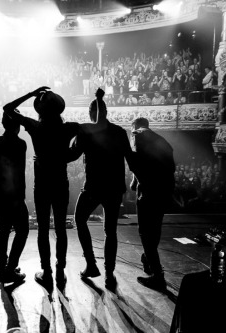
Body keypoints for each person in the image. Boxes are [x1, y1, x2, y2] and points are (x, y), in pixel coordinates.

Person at [3, 86, 79, 288]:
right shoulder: (69, 128)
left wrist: (30, 93)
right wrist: (70, 154)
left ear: (40, 110)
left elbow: (8, 108)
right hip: (61, 183)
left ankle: (46, 271)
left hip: (42, 185)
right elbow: (87, 135)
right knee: (61, 229)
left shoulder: (35, 127)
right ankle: (60, 270)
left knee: (43, 229)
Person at [67, 88, 137, 289]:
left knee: (79, 219)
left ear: (91, 113)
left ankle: (91, 264)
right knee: (110, 231)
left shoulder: (86, 131)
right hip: (114, 188)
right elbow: (131, 160)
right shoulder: (119, 132)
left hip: (94, 187)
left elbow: (71, 155)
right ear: (106, 112)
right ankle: (109, 274)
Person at [130, 117, 175, 291]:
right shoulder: (162, 140)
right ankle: (149, 259)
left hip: (149, 192)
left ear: (135, 126)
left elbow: (137, 163)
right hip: (164, 191)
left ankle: (158, 276)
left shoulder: (137, 135)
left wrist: (136, 183)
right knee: (155, 229)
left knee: (145, 232)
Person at [0, 110, 29, 284]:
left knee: (4, 229)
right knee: (23, 230)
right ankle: (10, 269)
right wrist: (20, 198)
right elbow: (18, 173)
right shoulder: (20, 144)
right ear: (18, 125)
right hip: (14, 196)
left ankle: (2, 267)